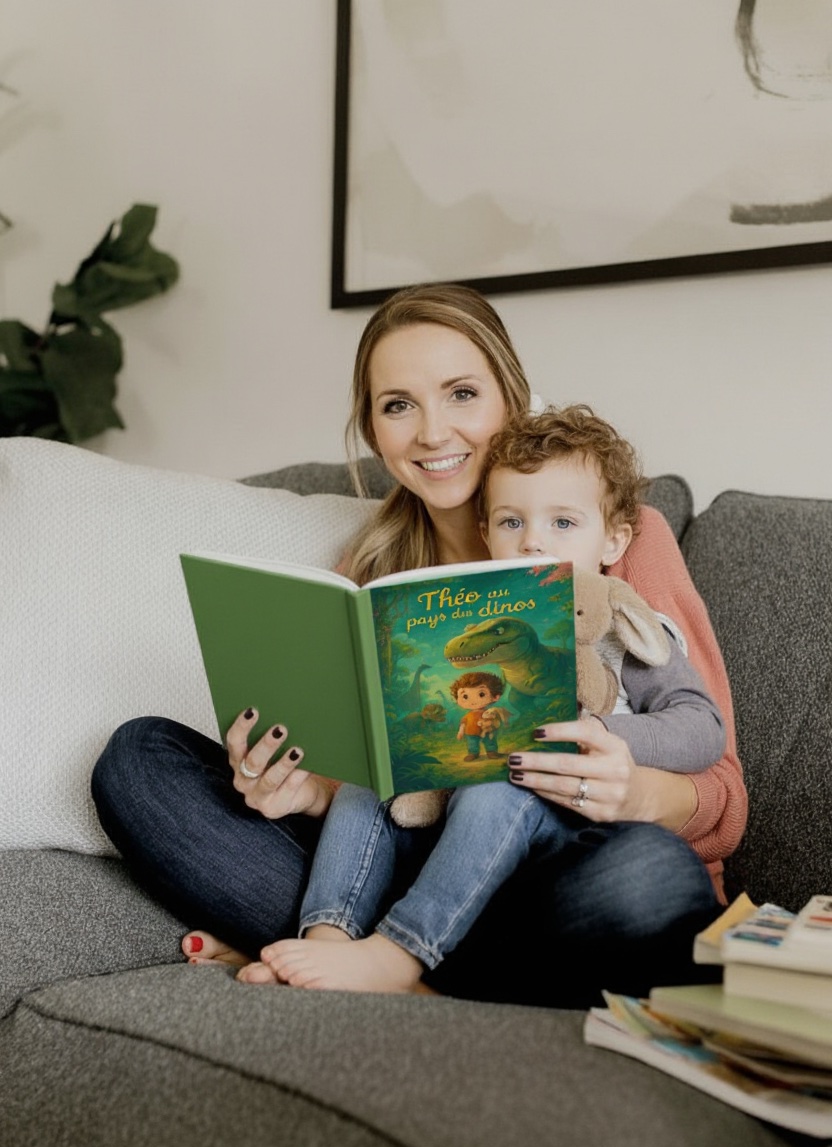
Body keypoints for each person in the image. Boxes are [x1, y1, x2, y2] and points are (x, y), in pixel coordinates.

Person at [91, 282, 746, 1007]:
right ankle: (373, 956)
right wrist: (302, 790)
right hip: (404, 855)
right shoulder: (372, 571)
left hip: (558, 864)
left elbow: (724, 791)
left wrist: (633, 785)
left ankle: (389, 962)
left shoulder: (613, 532)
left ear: (510, 397)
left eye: (461, 393)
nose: (432, 432)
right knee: (137, 760)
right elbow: (368, 785)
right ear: (375, 431)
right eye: (398, 405)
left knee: (649, 881)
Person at [256, 406, 727, 995]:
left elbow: (702, 726)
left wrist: (607, 736)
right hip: (441, 826)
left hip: (557, 832)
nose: (532, 542)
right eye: (511, 523)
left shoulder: (623, 627)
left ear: (614, 539)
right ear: (485, 535)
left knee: (505, 789)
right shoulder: (469, 623)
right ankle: (328, 936)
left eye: (562, 523)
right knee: (373, 774)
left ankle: (402, 954)